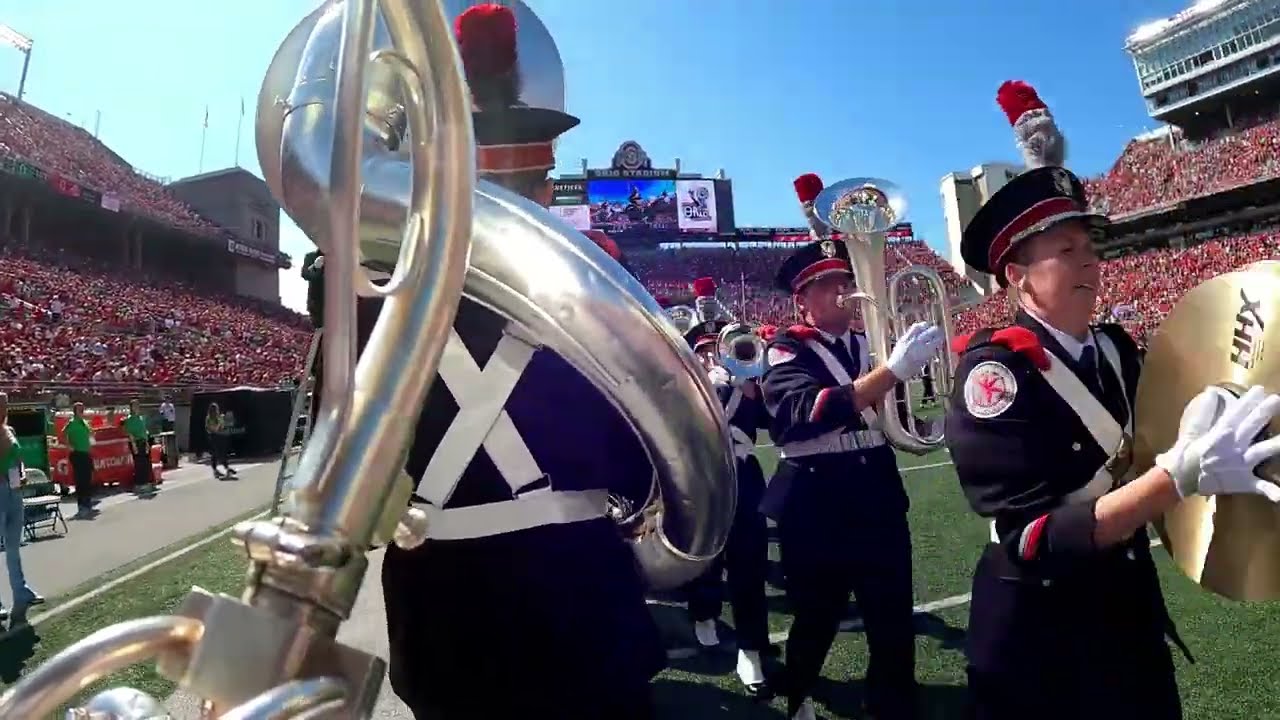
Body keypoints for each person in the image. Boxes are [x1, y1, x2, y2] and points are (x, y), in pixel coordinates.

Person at [307, 6, 663, 718]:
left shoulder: (366, 291)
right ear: (539, 188)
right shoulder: (596, 280)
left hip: (443, 606)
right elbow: (643, 454)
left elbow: (339, 445)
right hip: (584, 592)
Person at [946, 79, 1280, 720]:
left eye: (1090, 246)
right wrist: (1177, 475)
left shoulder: (1115, 348)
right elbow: (1032, 537)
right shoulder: (994, 378)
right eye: (1066, 250)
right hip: (1038, 626)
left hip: (1124, 601)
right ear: (1018, 277)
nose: (1091, 261)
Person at [760, 171, 943, 720]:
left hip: (877, 494)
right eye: (828, 282)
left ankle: (893, 703)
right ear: (803, 301)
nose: (844, 287)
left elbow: (898, 411)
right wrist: (891, 372)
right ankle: (795, 694)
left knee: (892, 613)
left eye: (846, 276)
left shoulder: (874, 341)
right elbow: (806, 414)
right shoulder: (783, 350)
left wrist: (909, 383)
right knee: (817, 615)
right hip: (816, 502)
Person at [678, 280, 774, 697]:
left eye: (710, 351)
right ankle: (704, 612)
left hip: (746, 476)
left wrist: (754, 385)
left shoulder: (748, 379)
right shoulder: (686, 387)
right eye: (699, 351)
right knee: (706, 557)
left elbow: (777, 424)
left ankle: (751, 649)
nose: (708, 357)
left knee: (750, 566)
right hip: (704, 477)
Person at [0, 393, 43, 622]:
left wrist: (23, 474)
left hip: (14, 492)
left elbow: (19, 460)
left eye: (5, 405)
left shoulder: (10, 430)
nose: (4, 409)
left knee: (14, 546)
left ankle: (21, 590)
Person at [65, 402, 98, 519]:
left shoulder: (85, 423)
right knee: (80, 480)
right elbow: (65, 436)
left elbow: (91, 433)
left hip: (86, 453)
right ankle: (82, 506)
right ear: (75, 411)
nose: (82, 412)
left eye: (83, 410)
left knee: (88, 479)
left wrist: (92, 435)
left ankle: (88, 503)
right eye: (80, 410)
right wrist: (70, 446)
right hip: (78, 454)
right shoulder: (72, 423)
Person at [119, 399, 152, 494]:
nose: (136, 407)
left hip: (143, 441)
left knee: (145, 462)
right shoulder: (129, 419)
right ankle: (140, 483)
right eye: (134, 406)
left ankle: (146, 482)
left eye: (137, 405)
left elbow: (144, 431)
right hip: (136, 442)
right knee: (139, 463)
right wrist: (134, 445)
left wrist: (147, 443)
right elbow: (129, 433)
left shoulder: (141, 418)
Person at [205, 403, 235, 479]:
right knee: (216, 453)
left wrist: (222, 422)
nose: (216, 411)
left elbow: (222, 426)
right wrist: (218, 424)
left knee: (220, 453)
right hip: (213, 437)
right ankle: (220, 469)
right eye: (215, 410)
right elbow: (211, 428)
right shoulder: (209, 418)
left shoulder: (219, 417)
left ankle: (225, 468)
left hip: (220, 436)